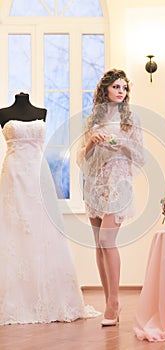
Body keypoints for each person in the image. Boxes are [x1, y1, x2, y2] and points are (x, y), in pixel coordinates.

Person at [0, 93, 99, 324]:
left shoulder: (42, 112)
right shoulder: (3, 113)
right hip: (13, 174)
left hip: (38, 172)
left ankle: (52, 297)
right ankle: (16, 299)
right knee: (12, 229)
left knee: (44, 230)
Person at [76, 69, 145, 326]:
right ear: (105, 88)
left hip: (118, 183)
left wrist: (122, 145)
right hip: (95, 184)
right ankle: (108, 302)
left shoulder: (131, 119)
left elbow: (141, 156)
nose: (121, 91)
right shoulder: (92, 120)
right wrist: (92, 142)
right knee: (98, 244)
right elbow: (82, 159)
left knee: (107, 240)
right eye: (116, 86)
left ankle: (114, 303)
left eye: (124, 88)